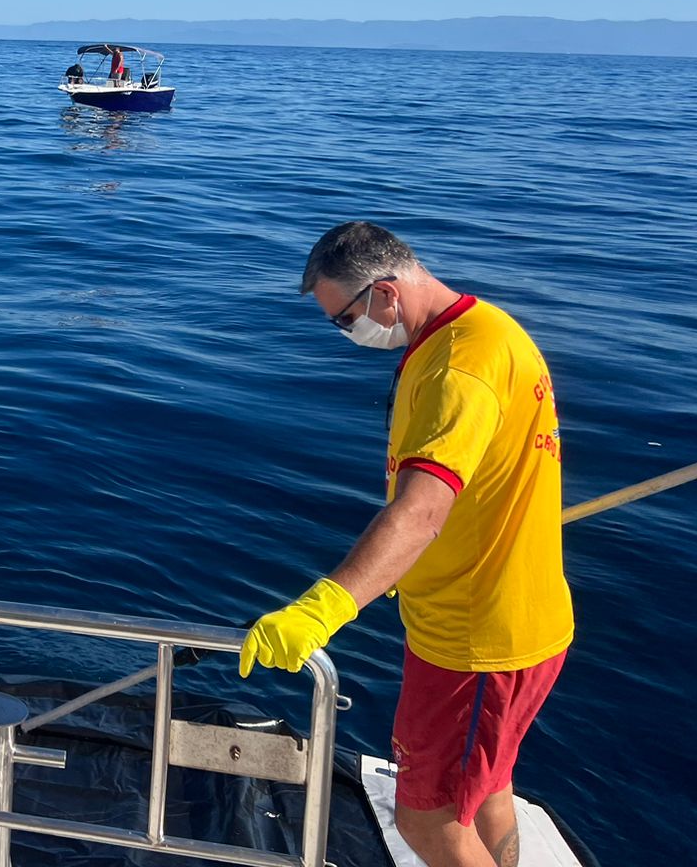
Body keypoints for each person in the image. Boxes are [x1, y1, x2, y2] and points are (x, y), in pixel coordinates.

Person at [241, 221, 571, 867]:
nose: (346, 333)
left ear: (386, 293)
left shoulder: (458, 368)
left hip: (473, 643)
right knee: (487, 786)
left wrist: (322, 609)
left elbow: (420, 512)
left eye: (345, 319)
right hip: (522, 624)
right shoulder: (487, 332)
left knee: (426, 820)